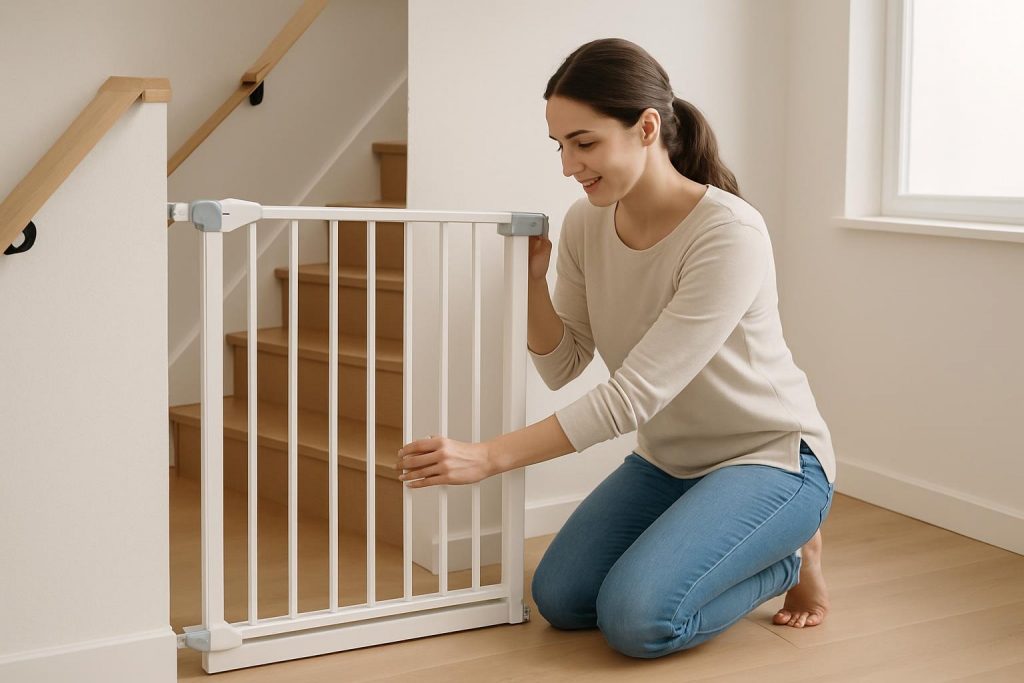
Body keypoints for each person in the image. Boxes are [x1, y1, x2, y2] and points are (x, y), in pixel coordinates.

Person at [395, 37, 836, 658]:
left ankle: (789, 556)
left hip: (771, 458)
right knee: (562, 598)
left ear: (646, 128)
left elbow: (632, 397)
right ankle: (734, 538)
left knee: (637, 621)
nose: (568, 165)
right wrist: (531, 285)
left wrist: (490, 456)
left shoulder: (729, 232)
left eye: (584, 143)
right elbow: (563, 364)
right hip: (668, 461)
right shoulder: (586, 222)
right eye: (560, 145)